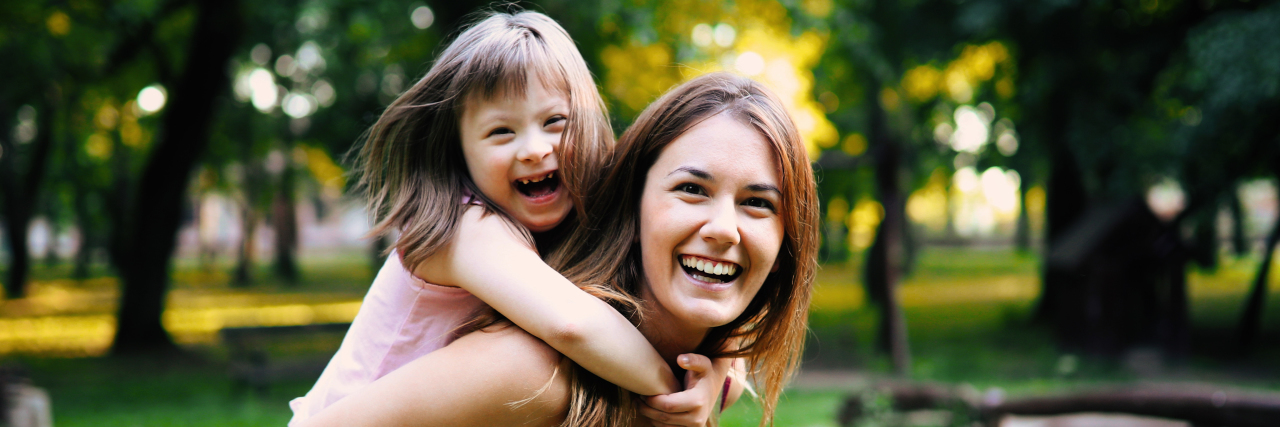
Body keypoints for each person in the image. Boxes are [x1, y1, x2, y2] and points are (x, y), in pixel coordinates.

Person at [299, 72, 819, 427]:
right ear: (632, 202)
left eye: (757, 203)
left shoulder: (708, 379)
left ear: (786, 241)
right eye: (691, 189)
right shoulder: (531, 371)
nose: (724, 229)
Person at [289, 11, 720, 424]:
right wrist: (670, 392)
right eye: (501, 132)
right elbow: (572, 325)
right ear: (460, 152)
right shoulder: (461, 228)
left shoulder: (571, 222)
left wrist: (715, 374)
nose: (533, 148)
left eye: (554, 122)